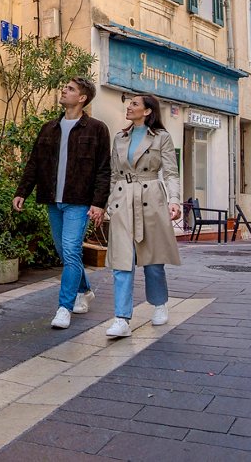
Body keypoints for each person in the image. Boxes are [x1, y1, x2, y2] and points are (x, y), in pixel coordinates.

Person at [12, 77, 111, 330]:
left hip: (78, 201)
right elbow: (34, 162)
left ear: (82, 98)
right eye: (65, 88)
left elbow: (103, 169)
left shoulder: (96, 129)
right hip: (52, 200)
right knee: (64, 251)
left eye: (70, 89)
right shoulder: (49, 128)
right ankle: (85, 289)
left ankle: (64, 308)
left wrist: (99, 203)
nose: (64, 91)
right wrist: (22, 191)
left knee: (70, 250)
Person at [104, 92, 181, 338]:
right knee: (122, 260)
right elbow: (114, 174)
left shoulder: (162, 138)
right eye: (130, 104)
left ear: (148, 111)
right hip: (123, 198)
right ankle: (121, 318)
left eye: (135, 104)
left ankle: (159, 304)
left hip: (152, 199)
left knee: (153, 260)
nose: (129, 107)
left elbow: (170, 172)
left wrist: (175, 200)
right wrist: (108, 202)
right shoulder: (120, 138)